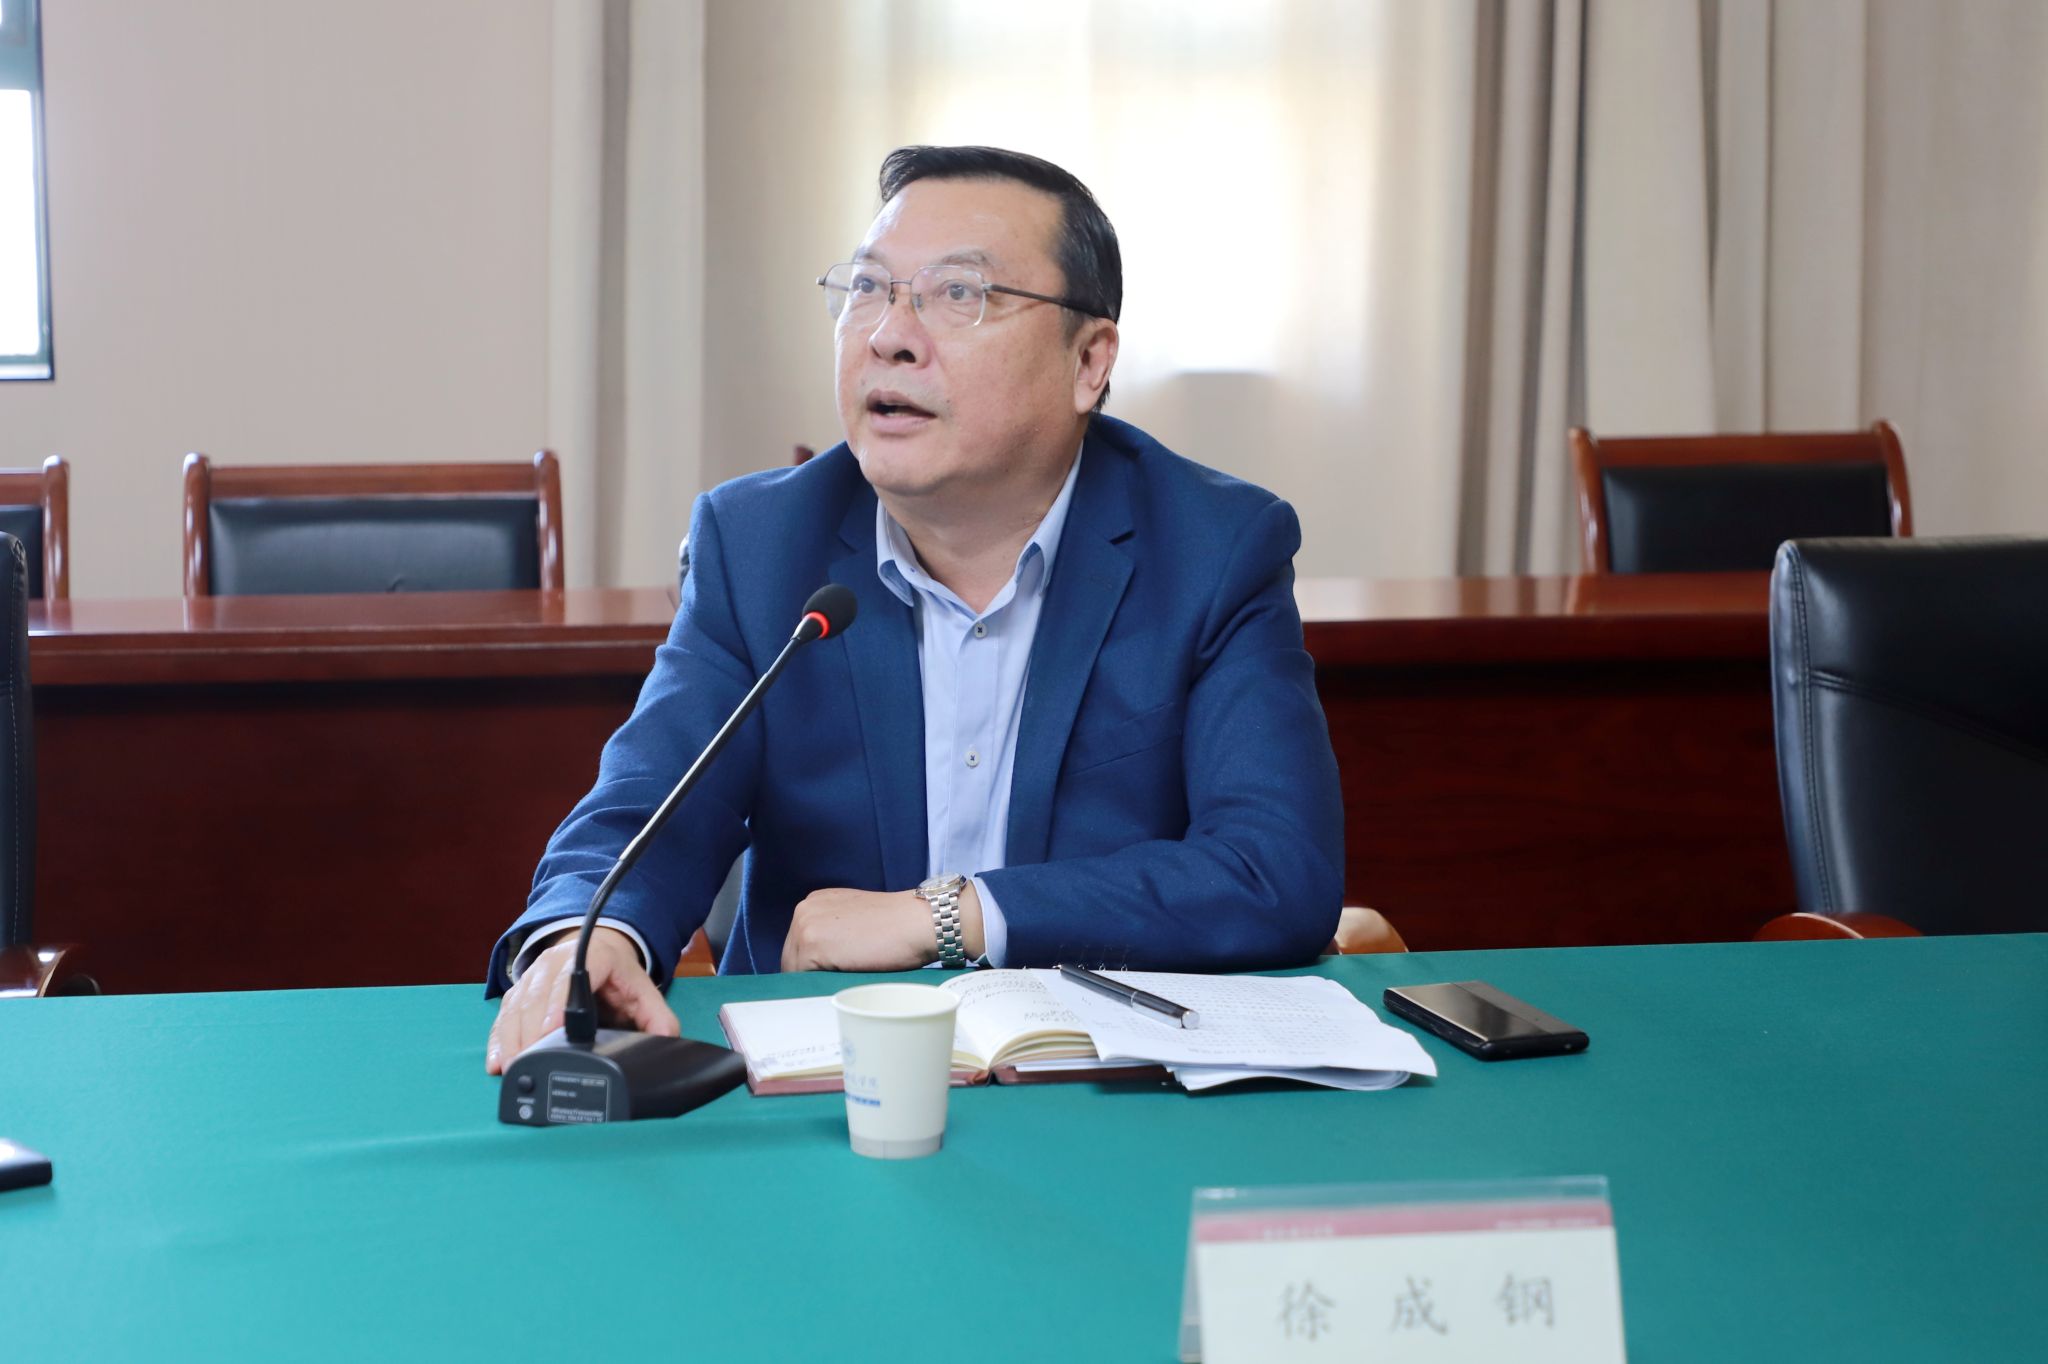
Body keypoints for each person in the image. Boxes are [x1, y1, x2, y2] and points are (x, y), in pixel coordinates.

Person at [485, 146, 1343, 1074]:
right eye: (867, 289)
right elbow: (647, 805)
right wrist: (589, 935)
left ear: (1089, 361)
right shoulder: (761, 545)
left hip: (1093, 1081)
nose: (890, 336)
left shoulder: (1212, 548)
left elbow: (1273, 870)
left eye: (959, 294)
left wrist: (949, 916)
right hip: (818, 1077)